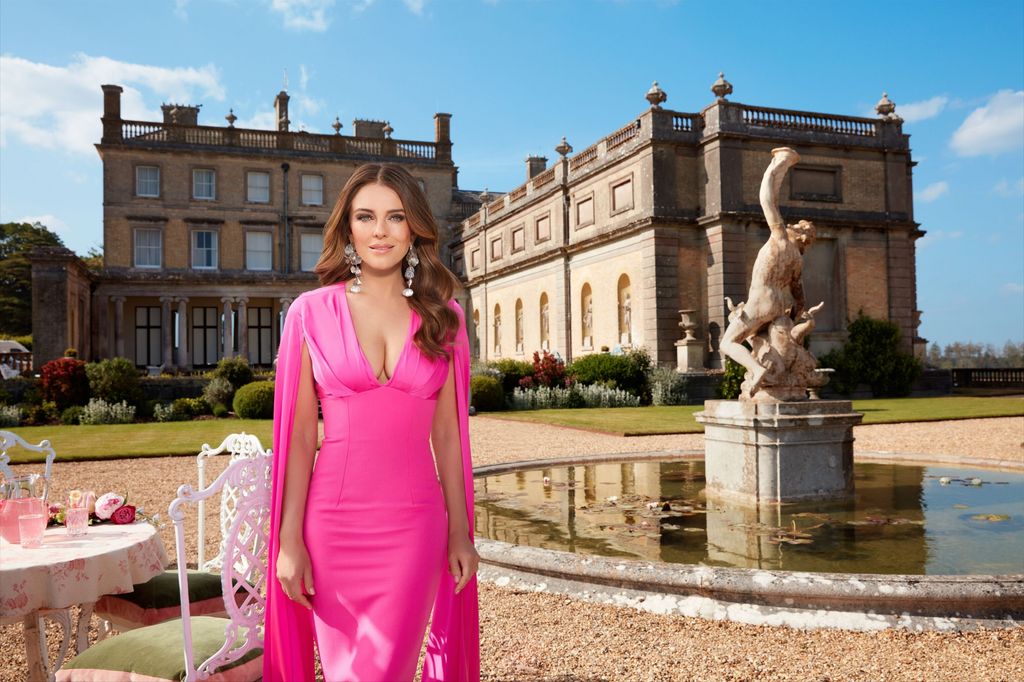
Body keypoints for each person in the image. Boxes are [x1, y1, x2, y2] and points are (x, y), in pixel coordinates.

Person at [265, 163, 481, 681]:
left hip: (413, 526)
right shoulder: (309, 313)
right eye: (366, 216)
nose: (380, 231)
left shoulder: (444, 318)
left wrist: (460, 531)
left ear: (415, 230)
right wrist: (288, 540)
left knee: (385, 670)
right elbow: (298, 440)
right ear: (348, 228)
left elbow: (449, 436)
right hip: (331, 523)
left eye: (395, 217)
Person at [718, 147, 817, 396]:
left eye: (796, 227)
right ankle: (773, 376)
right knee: (757, 339)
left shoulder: (780, 237)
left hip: (761, 301)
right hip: (776, 305)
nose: (791, 226)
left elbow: (767, 199)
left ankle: (757, 370)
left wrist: (777, 166)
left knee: (728, 342)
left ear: (799, 235)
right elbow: (800, 298)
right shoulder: (797, 260)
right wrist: (794, 319)